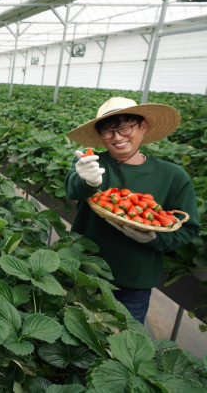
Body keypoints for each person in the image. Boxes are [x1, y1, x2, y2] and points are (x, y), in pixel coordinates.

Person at [64, 97, 200, 324]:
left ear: (143, 126)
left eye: (124, 127)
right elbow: (72, 189)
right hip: (82, 273)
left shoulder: (173, 176)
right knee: (75, 337)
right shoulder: (93, 164)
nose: (117, 137)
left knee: (124, 347)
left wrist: (153, 239)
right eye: (107, 132)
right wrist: (86, 180)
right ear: (100, 137)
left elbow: (188, 228)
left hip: (133, 284)